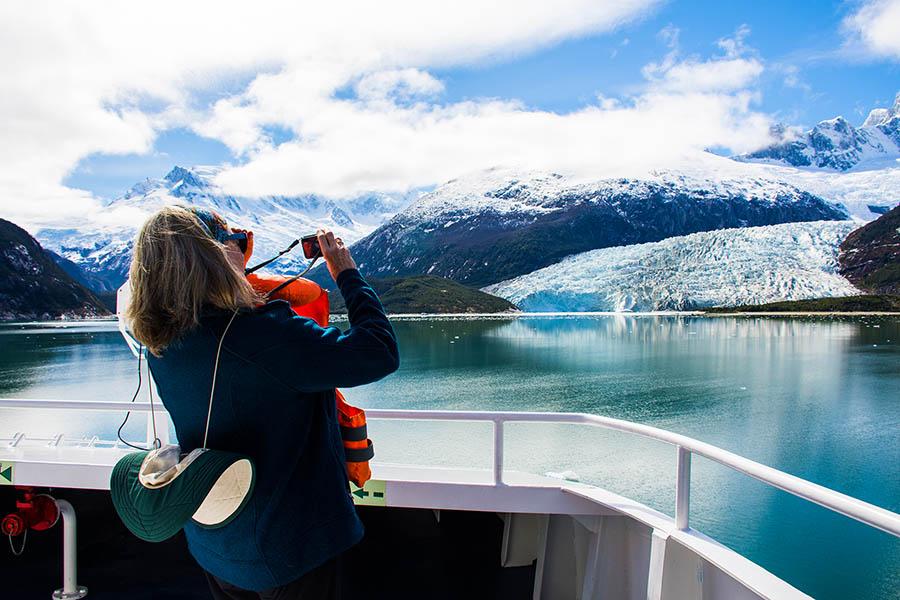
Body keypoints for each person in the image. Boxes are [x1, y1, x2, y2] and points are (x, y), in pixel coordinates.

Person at [124, 205, 399, 599]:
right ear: (213, 257)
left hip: (215, 535)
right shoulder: (263, 334)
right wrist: (347, 274)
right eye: (237, 243)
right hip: (292, 545)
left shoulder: (161, 344)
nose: (245, 251)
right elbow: (379, 351)